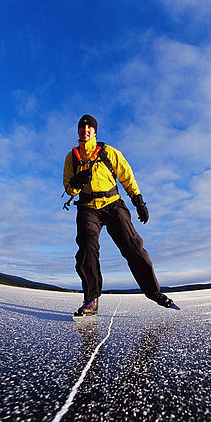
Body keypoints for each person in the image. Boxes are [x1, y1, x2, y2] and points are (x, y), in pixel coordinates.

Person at [63, 114, 174, 316]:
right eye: (82, 127)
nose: (85, 130)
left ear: (95, 132)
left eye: (89, 128)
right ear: (78, 131)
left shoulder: (109, 152)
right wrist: (77, 182)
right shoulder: (72, 157)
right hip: (88, 207)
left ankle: (154, 291)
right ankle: (91, 299)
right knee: (87, 247)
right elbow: (69, 189)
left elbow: (126, 175)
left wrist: (138, 201)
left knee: (133, 246)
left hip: (113, 204)